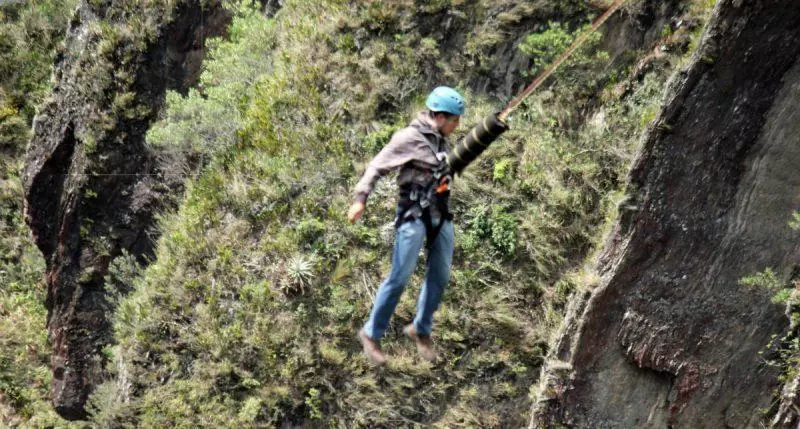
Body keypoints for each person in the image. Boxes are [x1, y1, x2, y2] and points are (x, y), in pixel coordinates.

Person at [347, 86, 464, 366]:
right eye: (455, 119)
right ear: (440, 116)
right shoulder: (409, 138)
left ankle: (420, 329)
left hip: (439, 213)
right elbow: (377, 166)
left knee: (441, 275)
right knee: (400, 276)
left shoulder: (441, 142)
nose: (458, 125)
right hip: (413, 213)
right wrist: (360, 199)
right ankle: (371, 333)